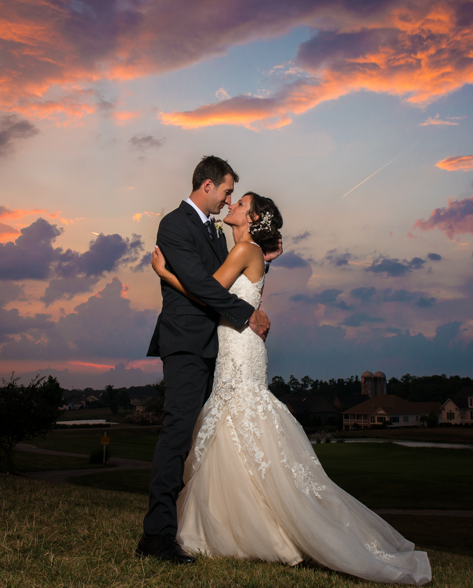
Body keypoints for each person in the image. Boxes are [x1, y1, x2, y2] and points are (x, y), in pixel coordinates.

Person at [150, 191, 432, 585]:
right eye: (231, 197)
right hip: (237, 348)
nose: (232, 204)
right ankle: (247, 528)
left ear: (252, 217)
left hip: (240, 351)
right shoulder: (249, 252)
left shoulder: (244, 251)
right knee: (233, 433)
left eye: (240, 203)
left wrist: (165, 275)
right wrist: (266, 260)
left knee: (240, 425)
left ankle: (265, 530)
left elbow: (206, 294)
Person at [137, 156, 277, 564]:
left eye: (234, 196)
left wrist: (265, 262)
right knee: (177, 434)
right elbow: (201, 286)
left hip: (214, 348)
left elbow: (231, 272)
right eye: (227, 192)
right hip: (184, 343)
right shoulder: (175, 225)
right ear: (208, 186)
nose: (228, 199)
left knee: (201, 440)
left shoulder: (215, 231)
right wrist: (246, 312)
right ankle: (156, 536)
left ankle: (204, 525)